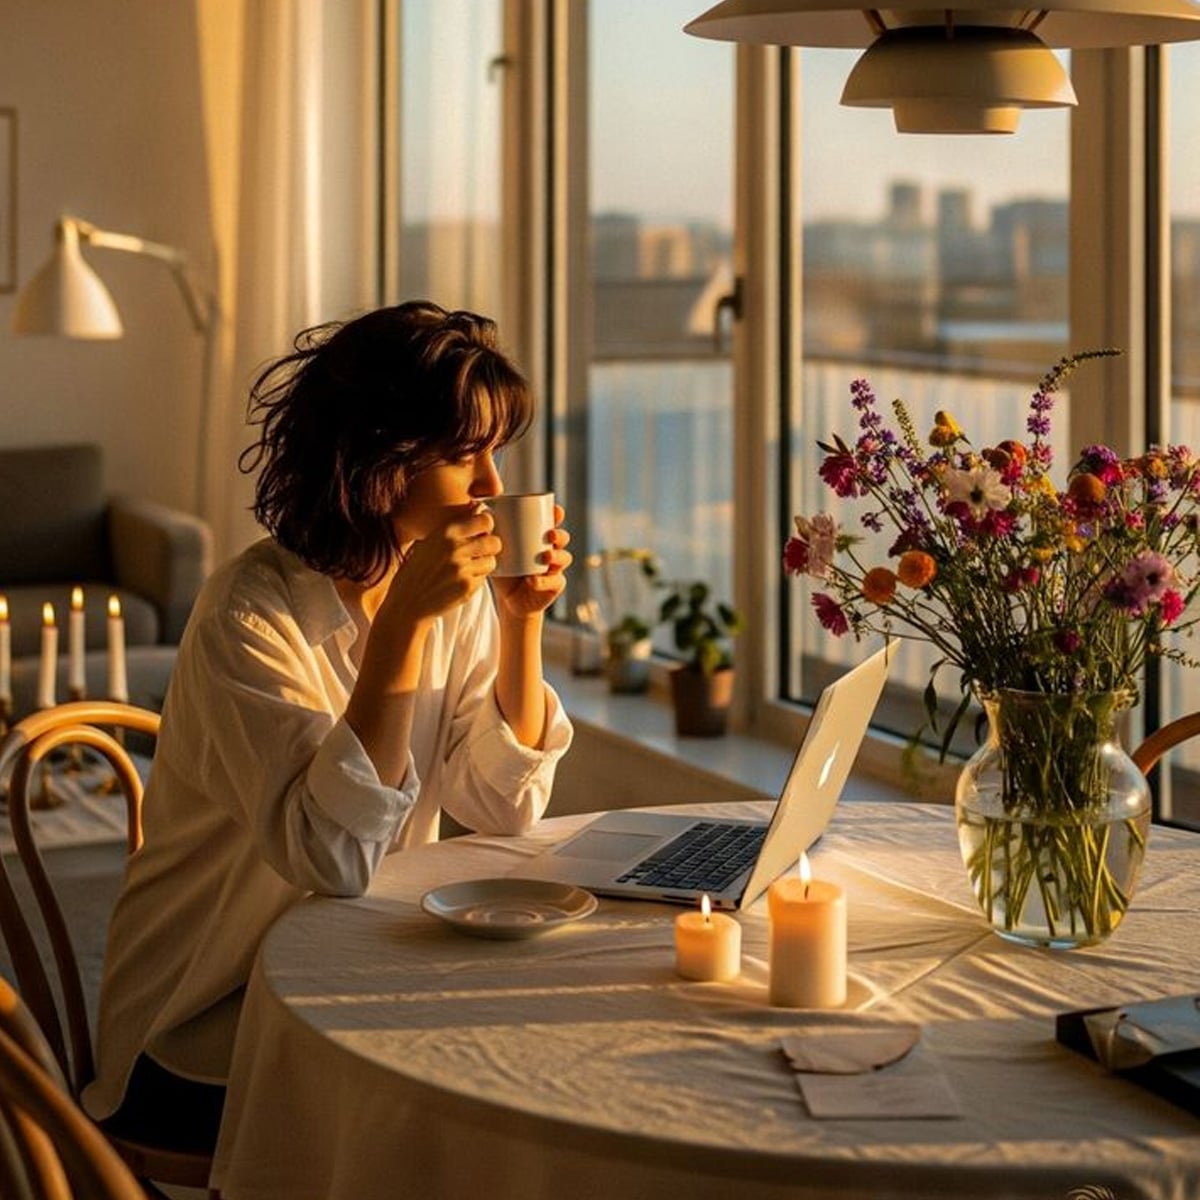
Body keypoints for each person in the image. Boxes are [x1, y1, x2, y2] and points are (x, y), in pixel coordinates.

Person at [83, 301, 574, 1150]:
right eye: (464, 454)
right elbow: (334, 857)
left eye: (496, 452)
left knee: (533, 1047)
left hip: (358, 960)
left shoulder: (448, 596)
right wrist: (401, 629)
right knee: (462, 1108)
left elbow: (502, 806)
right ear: (381, 458)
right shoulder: (248, 614)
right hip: (201, 1018)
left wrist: (520, 621)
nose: (492, 485)